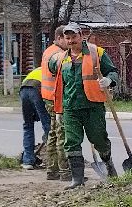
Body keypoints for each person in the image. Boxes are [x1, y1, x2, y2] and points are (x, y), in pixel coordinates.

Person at [45, 22, 120, 188]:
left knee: (99, 139)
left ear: (81, 36)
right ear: (63, 39)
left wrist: (109, 80)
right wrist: (58, 110)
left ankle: (108, 164)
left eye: (74, 37)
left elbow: (113, 71)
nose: (71, 41)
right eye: (68, 38)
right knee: (71, 141)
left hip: (93, 105)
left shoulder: (96, 52)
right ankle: (77, 180)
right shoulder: (61, 58)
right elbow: (52, 71)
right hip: (70, 107)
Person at [36, 25, 68, 181]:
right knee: (62, 134)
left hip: (49, 97)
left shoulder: (48, 50)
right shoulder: (58, 54)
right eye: (66, 38)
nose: (69, 42)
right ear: (59, 38)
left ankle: (52, 170)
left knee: (53, 134)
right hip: (57, 99)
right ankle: (65, 172)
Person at [19, 66, 49, 170]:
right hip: (37, 89)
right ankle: (55, 161)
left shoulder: (40, 69)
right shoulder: (54, 70)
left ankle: (28, 161)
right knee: (48, 126)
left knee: (28, 125)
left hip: (23, 89)